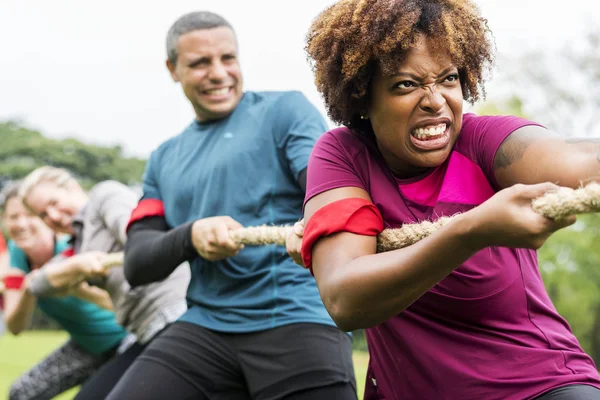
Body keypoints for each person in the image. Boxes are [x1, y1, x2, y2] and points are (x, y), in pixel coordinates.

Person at [300, 1, 600, 399]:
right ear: (361, 97)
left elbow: (577, 161)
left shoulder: (484, 143)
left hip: (541, 386)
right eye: (406, 84)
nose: (435, 100)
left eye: (448, 78)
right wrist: (471, 231)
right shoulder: (344, 157)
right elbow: (345, 298)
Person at [105, 11, 357, 400]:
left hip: (294, 317)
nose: (219, 73)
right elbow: (137, 264)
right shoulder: (162, 159)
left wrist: (313, 220)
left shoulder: (284, 111)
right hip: (205, 327)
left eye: (228, 58)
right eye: (200, 63)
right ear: (173, 69)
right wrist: (191, 235)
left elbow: (325, 189)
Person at [18, 167, 190, 400]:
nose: (54, 216)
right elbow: (38, 285)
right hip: (147, 333)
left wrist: (79, 266)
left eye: (54, 202)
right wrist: (76, 267)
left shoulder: (104, 195)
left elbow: (138, 237)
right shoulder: (78, 248)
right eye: (43, 215)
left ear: (72, 187)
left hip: (176, 315)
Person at [1, 181, 129, 400]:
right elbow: (15, 326)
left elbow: (118, 301)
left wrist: (74, 286)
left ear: (44, 220)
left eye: (29, 216)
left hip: (124, 341)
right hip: (86, 346)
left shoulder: (72, 249)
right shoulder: (17, 254)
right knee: (21, 394)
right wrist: (29, 289)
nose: (21, 224)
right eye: (13, 217)